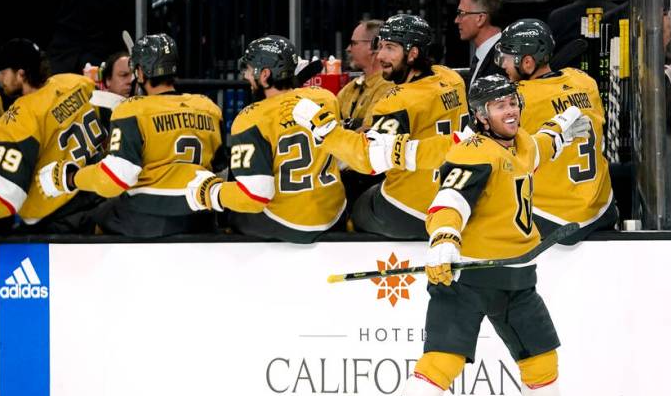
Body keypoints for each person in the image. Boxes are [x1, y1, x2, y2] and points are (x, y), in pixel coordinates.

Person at [378, 74, 593, 396]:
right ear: (479, 115)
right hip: (467, 276)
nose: (511, 110)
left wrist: (561, 128)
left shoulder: (523, 142)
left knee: (541, 360)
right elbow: (449, 200)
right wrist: (443, 239)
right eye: (499, 106)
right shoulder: (472, 153)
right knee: (442, 361)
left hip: (516, 274)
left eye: (512, 102)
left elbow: (539, 148)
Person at [299, 14, 467, 240]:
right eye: (380, 47)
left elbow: (369, 159)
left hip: (411, 209)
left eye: (390, 48)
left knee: (350, 204)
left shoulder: (397, 101)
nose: (381, 55)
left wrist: (324, 129)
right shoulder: (452, 77)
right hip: (454, 201)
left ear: (413, 53)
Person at [38, 34, 222, 237]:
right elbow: (221, 169)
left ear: (140, 73)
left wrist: (70, 178)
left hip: (147, 217)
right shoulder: (208, 108)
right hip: (200, 217)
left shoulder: (132, 110)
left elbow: (115, 178)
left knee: (71, 224)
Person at [185, 35, 346, 243]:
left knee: (230, 212)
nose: (247, 76)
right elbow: (342, 159)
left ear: (265, 74)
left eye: (250, 70)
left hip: (289, 223)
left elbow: (256, 196)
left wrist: (210, 191)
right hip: (334, 214)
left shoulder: (250, 118)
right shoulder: (326, 98)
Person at [496, 18, 617, 242]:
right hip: (601, 209)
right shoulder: (583, 81)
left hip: (553, 219)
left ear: (528, 62)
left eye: (507, 58)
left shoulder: (517, 99)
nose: (503, 65)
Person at [0, 38, 103, 233]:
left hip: (55, 221)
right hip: (98, 199)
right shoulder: (76, 82)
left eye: (3, 72)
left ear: (21, 74)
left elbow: (5, 195)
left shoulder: (21, 116)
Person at [337, 19, 391, 129]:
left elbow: (368, 132)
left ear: (375, 45)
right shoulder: (350, 88)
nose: (348, 49)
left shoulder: (388, 87)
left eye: (353, 43)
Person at [455, 0, 503, 88]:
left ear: (480, 18)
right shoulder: (484, 55)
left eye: (461, 13)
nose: (456, 20)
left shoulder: (503, 60)